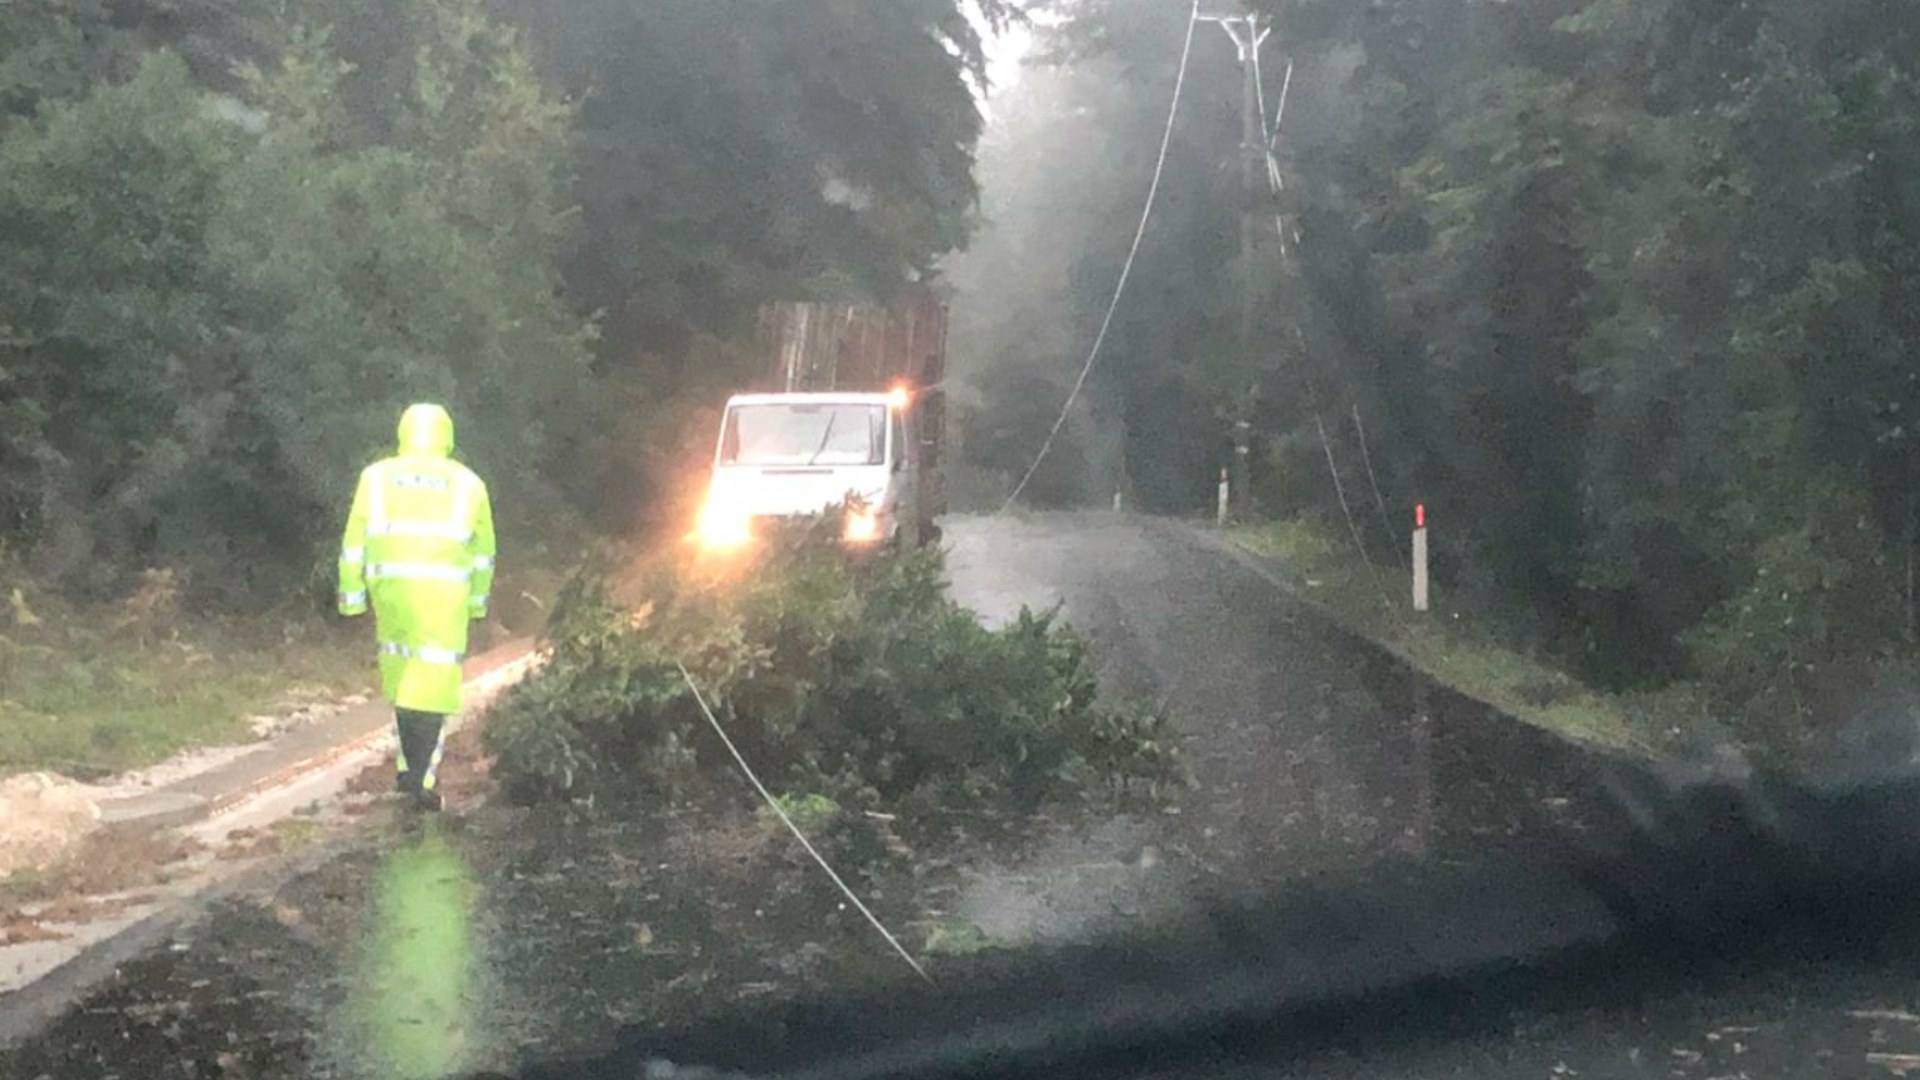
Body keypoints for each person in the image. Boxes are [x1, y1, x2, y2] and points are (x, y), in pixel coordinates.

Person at [338, 403, 496, 811]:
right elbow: (483, 554)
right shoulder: (468, 484)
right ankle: (420, 783)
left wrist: (352, 599)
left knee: (404, 686)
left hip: (391, 597)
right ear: (448, 436)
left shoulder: (375, 479)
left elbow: (355, 541)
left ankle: (409, 774)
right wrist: (477, 604)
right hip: (444, 602)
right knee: (432, 692)